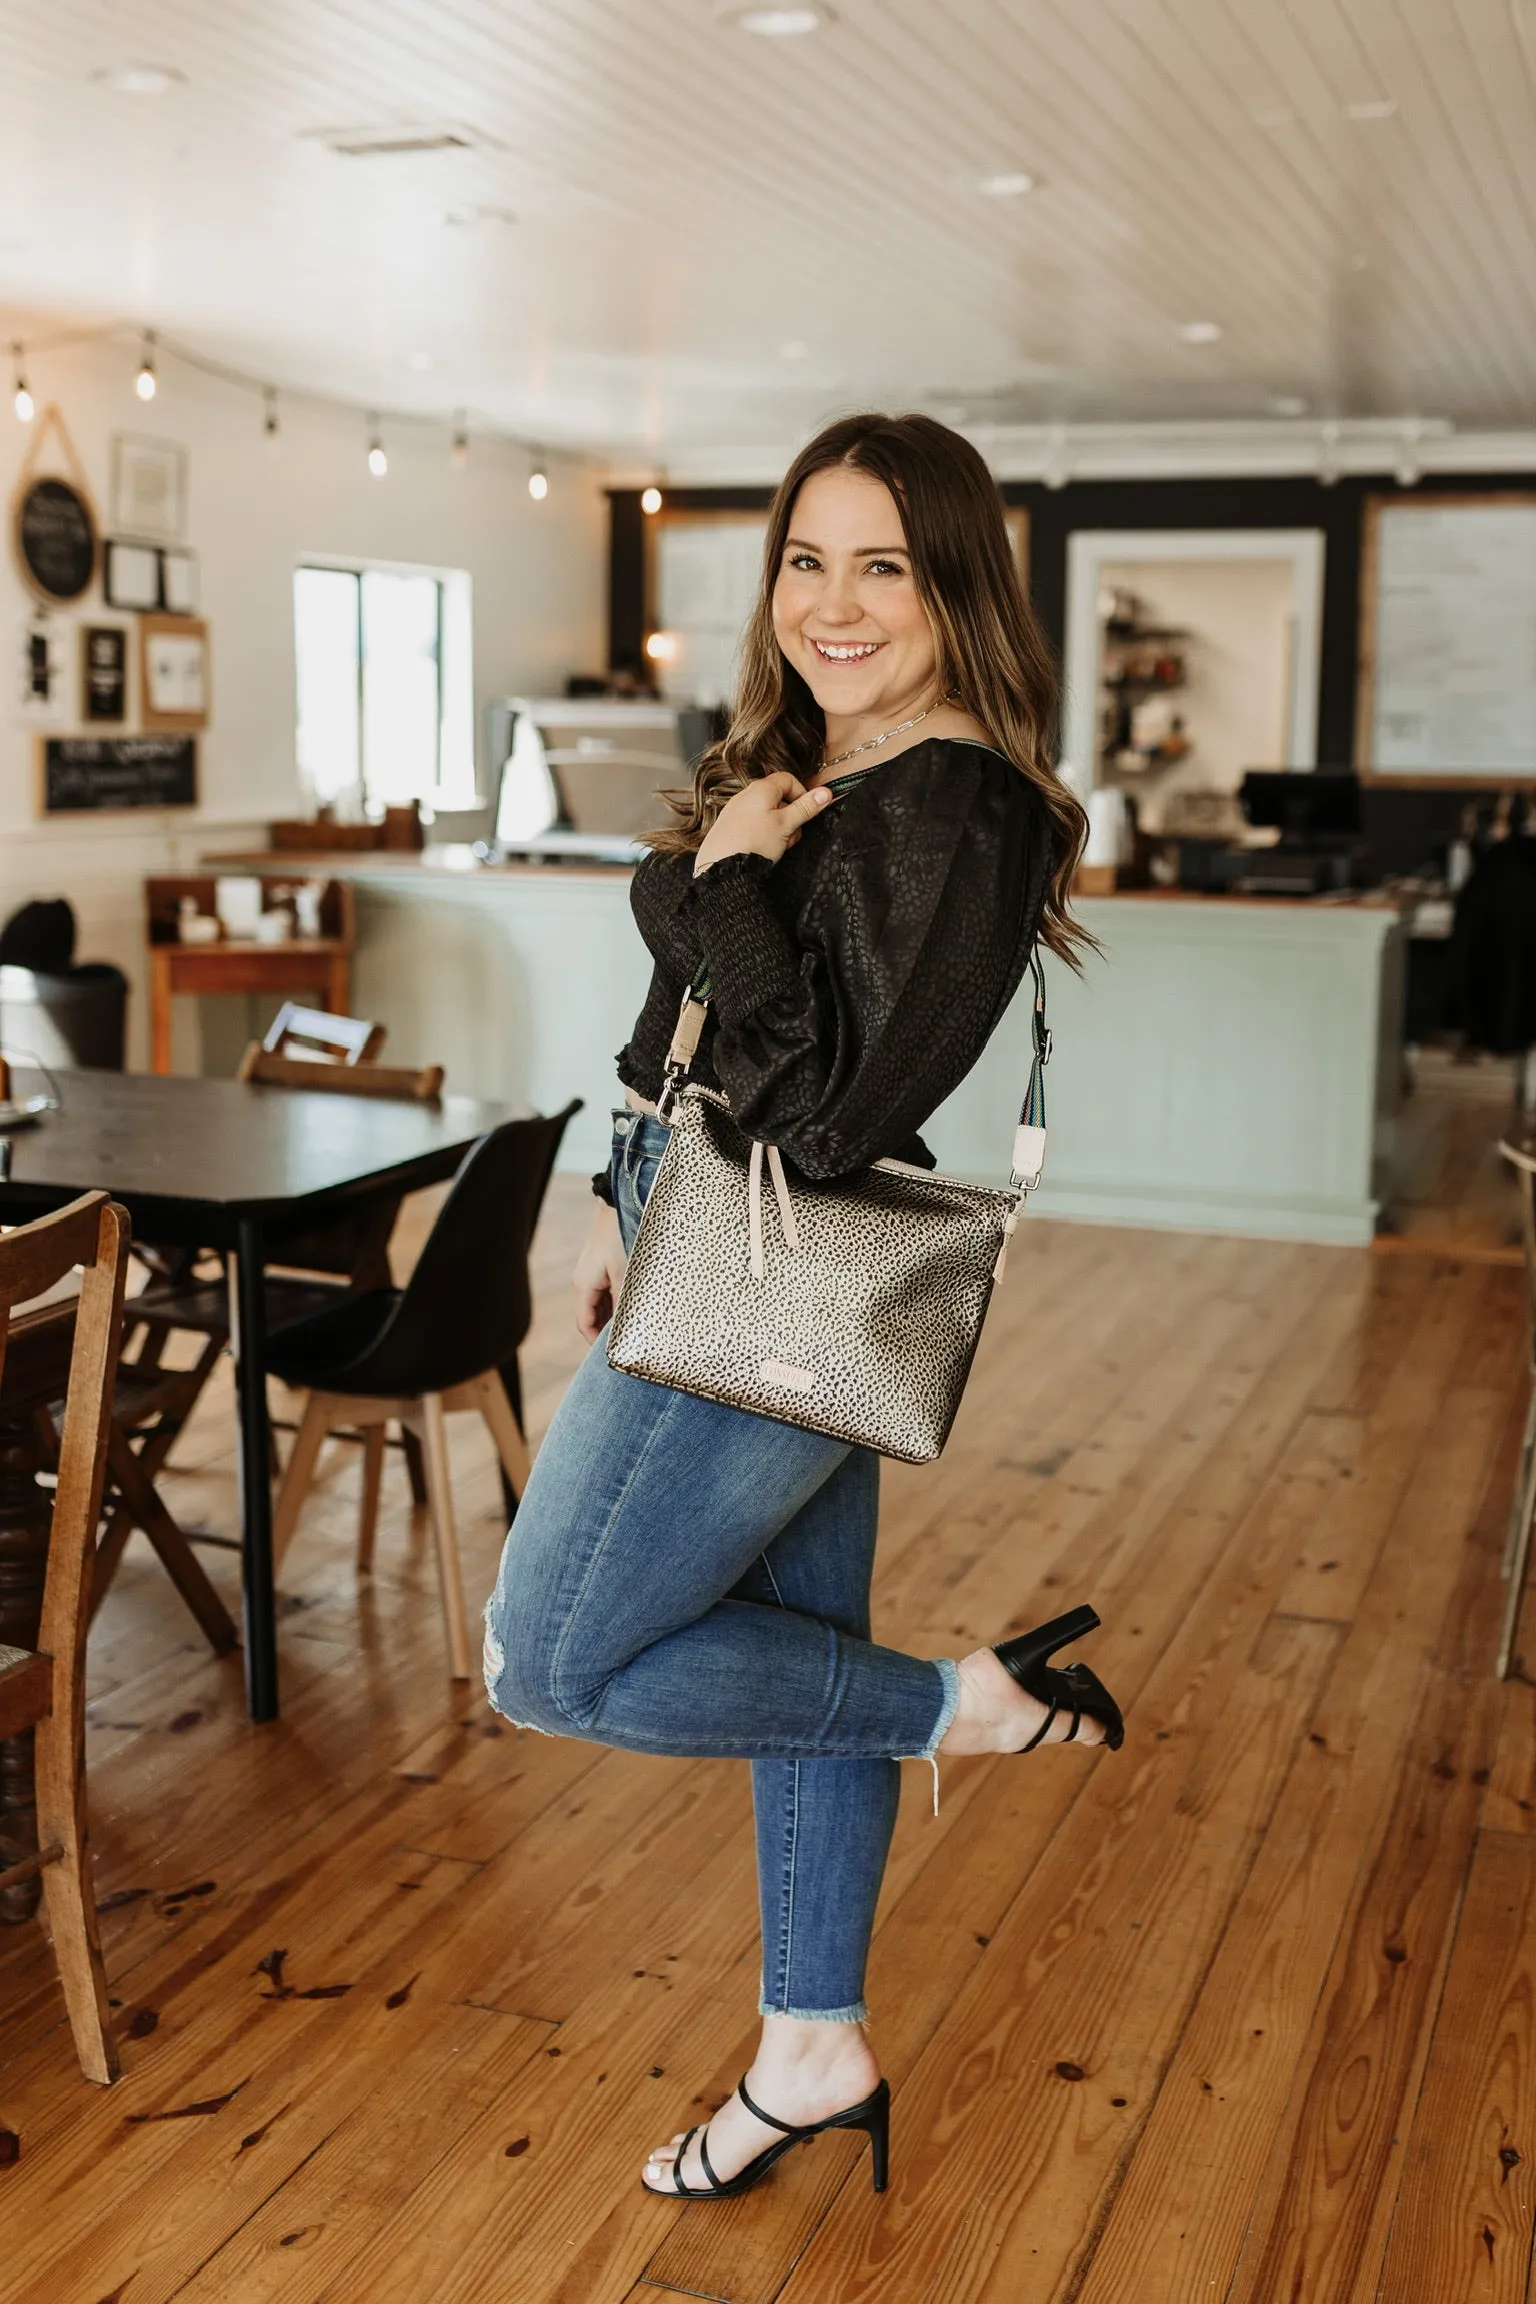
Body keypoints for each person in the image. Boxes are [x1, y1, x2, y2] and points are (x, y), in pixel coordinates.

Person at [483, 411, 1124, 2202]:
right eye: (806, 559)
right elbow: (722, 1047)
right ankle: (813, 2047)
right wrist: (654, 1189)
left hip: (788, 1259)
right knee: (802, 1674)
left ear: (956, 588)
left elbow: (826, 1114)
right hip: (718, 1231)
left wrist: (734, 884)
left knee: (548, 1660)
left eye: (886, 567)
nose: (834, 605)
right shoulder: (818, 758)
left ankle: (965, 1711)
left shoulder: (962, 804)